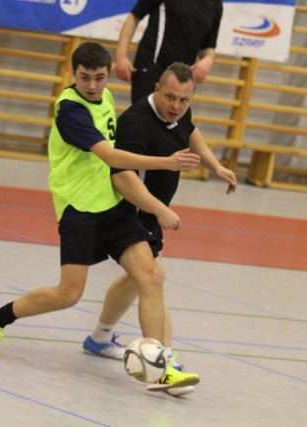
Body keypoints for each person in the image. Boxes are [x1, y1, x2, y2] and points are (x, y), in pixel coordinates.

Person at [0, 42, 201, 391]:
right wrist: (167, 164)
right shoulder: (70, 110)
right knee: (68, 295)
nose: (93, 85)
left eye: (99, 78)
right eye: (85, 78)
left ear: (107, 76)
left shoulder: (106, 99)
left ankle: (163, 364)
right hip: (78, 210)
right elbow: (111, 156)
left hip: (113, 207)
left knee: (152, 275)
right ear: (73, 74)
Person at [82, 62, 237, 397]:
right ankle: (163, 366)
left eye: (184, 100)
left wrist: (216, 165)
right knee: (153, 277)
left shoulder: (179, 114)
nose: (176, 106)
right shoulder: (136, 123)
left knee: (141, 280)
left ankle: (99, 338)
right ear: (156, 89)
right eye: (170, 97)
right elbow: (121, 176)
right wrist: (159, 209)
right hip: (126, 212)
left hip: (149, 215)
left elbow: (190, 131)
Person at [115, 0, 223, 103]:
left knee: (171, 122)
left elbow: (209, 45)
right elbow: (134, 17)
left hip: (181, 80)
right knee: (146, 120)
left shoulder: (215, 4)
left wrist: (208, 59)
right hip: (151, 69)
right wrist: (121, 55)